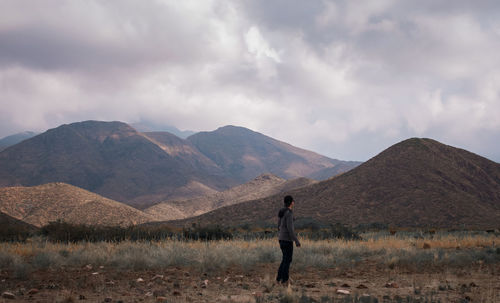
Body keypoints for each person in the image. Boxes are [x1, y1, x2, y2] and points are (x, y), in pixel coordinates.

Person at [276, 195, 301, 285]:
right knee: (287, 260)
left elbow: (279, 226)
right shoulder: (289, 213)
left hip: (281, 239)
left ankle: (279, 278)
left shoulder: (282, 211)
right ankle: (285, 280)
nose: (294, 202)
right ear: (291, 202)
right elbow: (290, 229)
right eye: (293, 201)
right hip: (287, 240)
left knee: (285, 259)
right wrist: (296, 241)